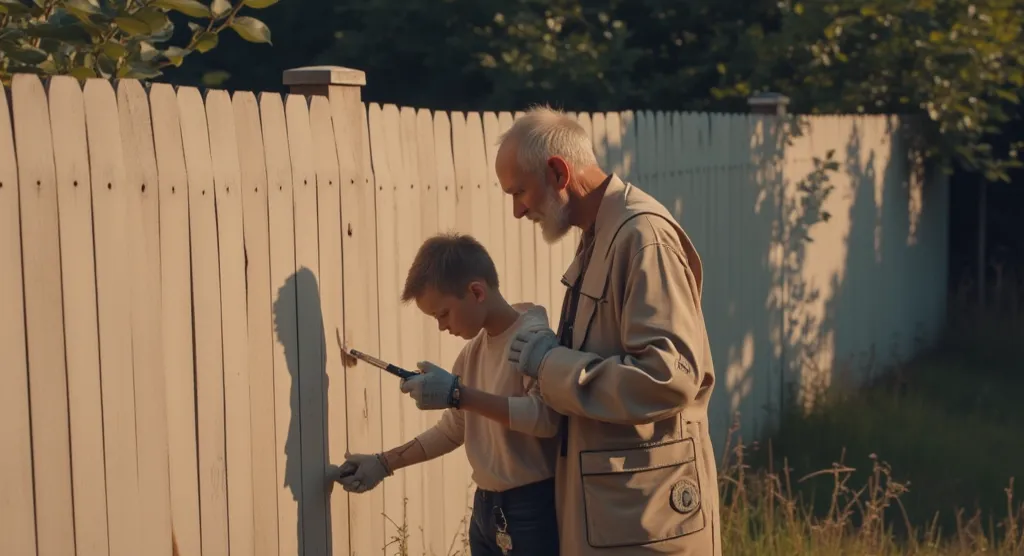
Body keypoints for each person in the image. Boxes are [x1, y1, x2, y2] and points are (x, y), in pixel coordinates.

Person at [492, 105, 722, 555]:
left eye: (520, 191)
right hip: (618, 513)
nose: (518, 211)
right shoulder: (601, 231)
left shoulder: (642, 237)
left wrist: (549, 362)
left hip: (648, 521)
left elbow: (668, 379)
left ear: (558, 172)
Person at [333, 232, 562, 556]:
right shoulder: (472, 354)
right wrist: (383, 463)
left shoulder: (533, 340)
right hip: (486, 507)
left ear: (476, 291)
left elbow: (546, 418)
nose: (441, 326)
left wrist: (459, 395)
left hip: (530, 511)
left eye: (443, 314)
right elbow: (455, 427)